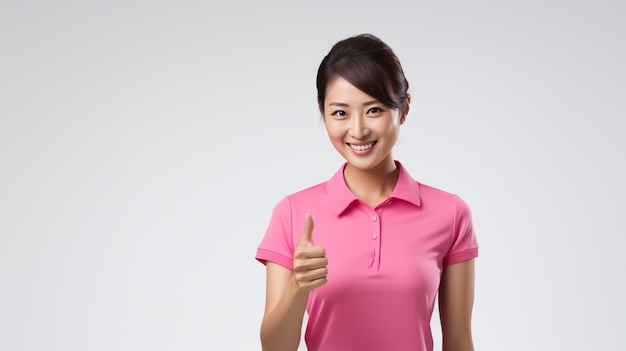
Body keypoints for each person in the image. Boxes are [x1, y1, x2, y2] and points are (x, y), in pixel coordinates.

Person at [255, 33, 479, 351]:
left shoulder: (451, 213)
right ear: (323, 113)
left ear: (403, 109)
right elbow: (275, 348)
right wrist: (297, 287)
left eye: (373, 110)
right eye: (340, 113)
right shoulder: (292, 212)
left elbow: (459, 342)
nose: (358, 130)